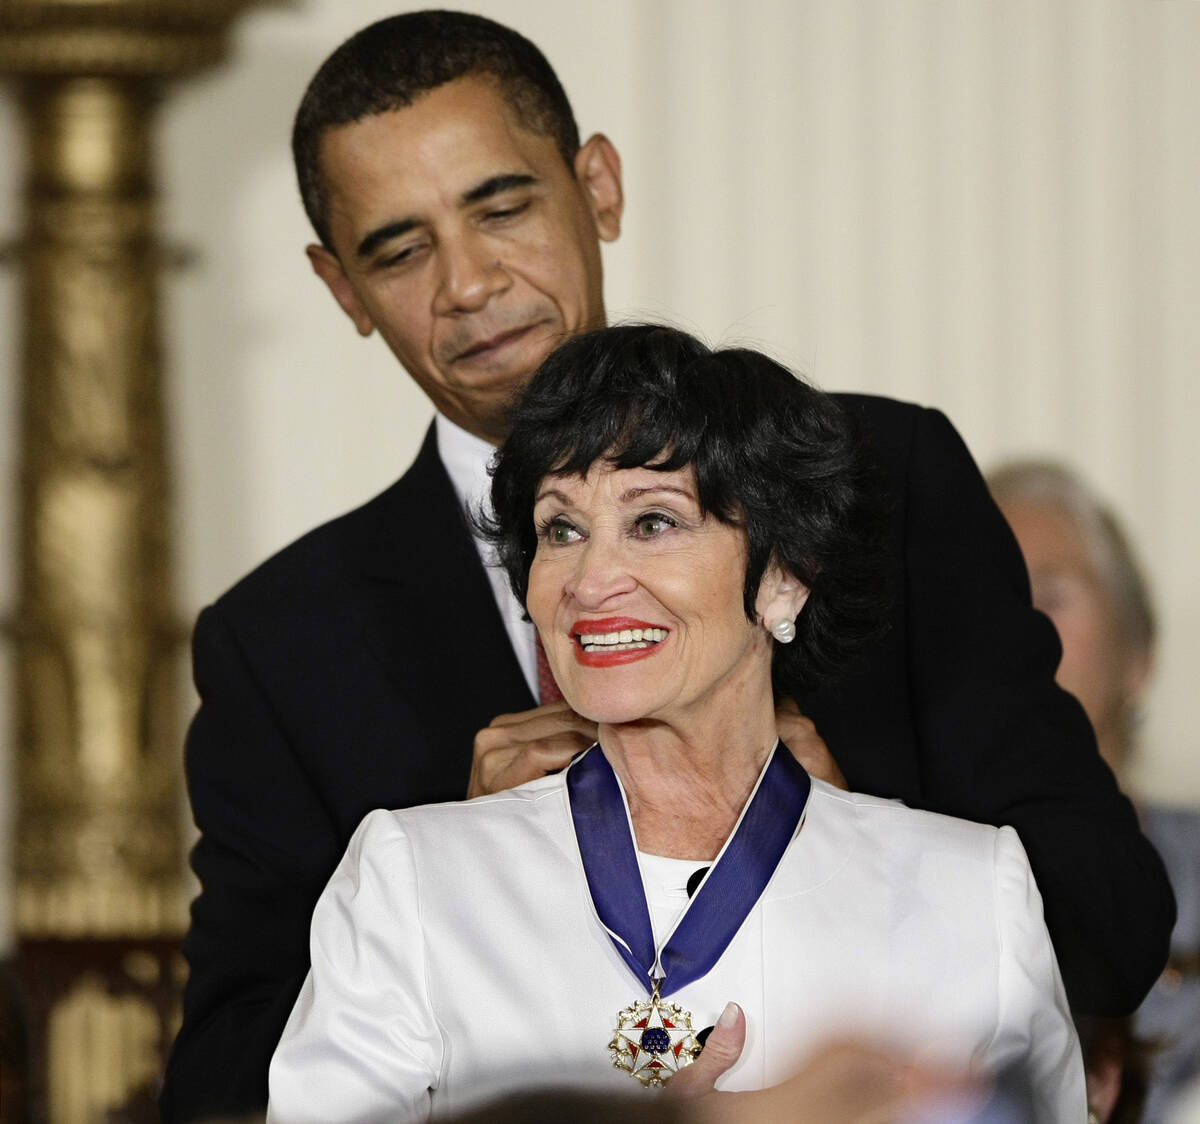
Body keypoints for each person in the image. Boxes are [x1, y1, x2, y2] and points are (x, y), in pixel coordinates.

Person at [161, 12, 1173, 1122]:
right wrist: (461, 880)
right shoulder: (284, 641)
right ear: (339, 287)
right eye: (399, 249)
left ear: (598, 185)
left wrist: (839, 831)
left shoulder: (890, 479)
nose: (467, 282)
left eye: (502, 207)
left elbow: (1108, 924)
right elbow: (221, 1086)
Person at [266, 325, 1086, 1123]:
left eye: (653, 522)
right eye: (562, 529)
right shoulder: (414, 882)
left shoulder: (969, 890)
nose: (590, 580)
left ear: (785, 577)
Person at [990, 460, 1200, 1124]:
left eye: (1050, 596)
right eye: (984, 599)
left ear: (1139, 652)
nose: (1013, 631)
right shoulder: (885, 879)